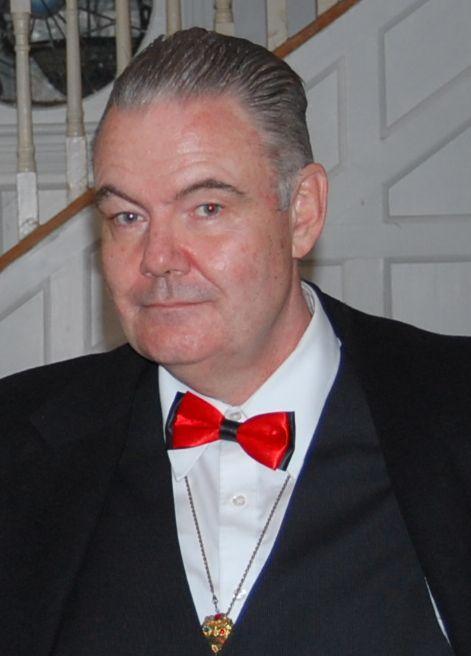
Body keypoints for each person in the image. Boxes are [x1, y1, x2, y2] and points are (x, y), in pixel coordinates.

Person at [1, 28, 470, 656]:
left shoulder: (453, 408)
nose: (158, 258)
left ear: (302, 211)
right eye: (128, 217)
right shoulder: (15, 441)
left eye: (208, 209)